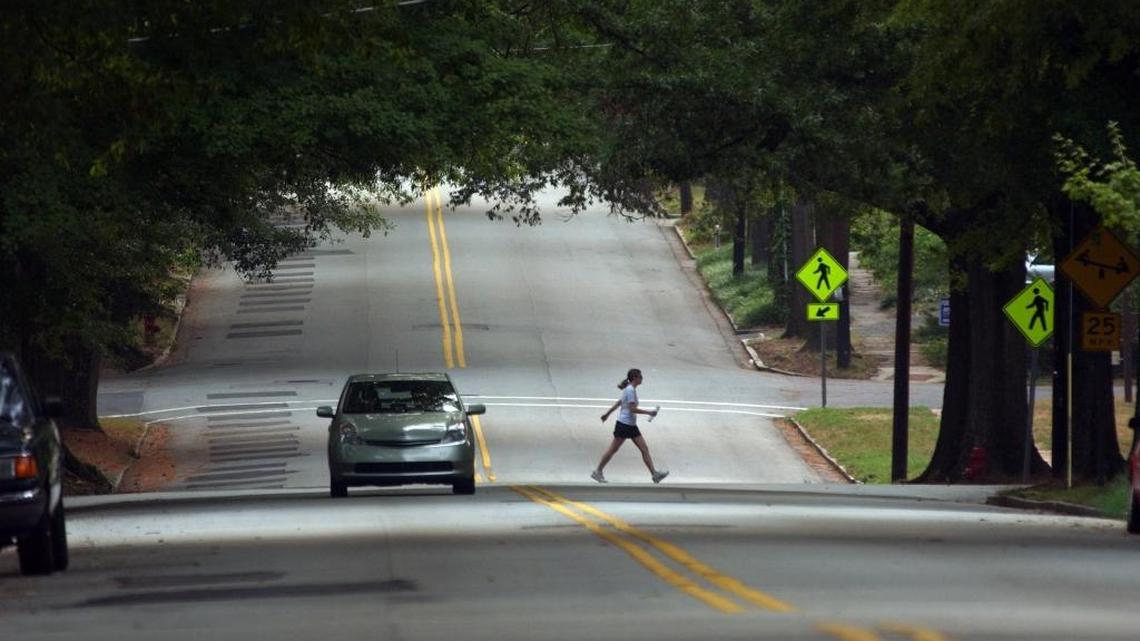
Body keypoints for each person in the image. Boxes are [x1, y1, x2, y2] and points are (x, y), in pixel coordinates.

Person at [591, 368, 669, 484]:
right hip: (624, 425)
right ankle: (597, 472)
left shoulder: (629, 389)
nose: (642, 378)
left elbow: (619, 403)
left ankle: (654, 474)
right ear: (635, 378)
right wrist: (649, 412)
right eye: (640, 376)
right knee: (613, 449)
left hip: (630, 425)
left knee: (644, 449)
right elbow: (632, 409)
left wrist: (607, 414)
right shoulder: (630, 390)